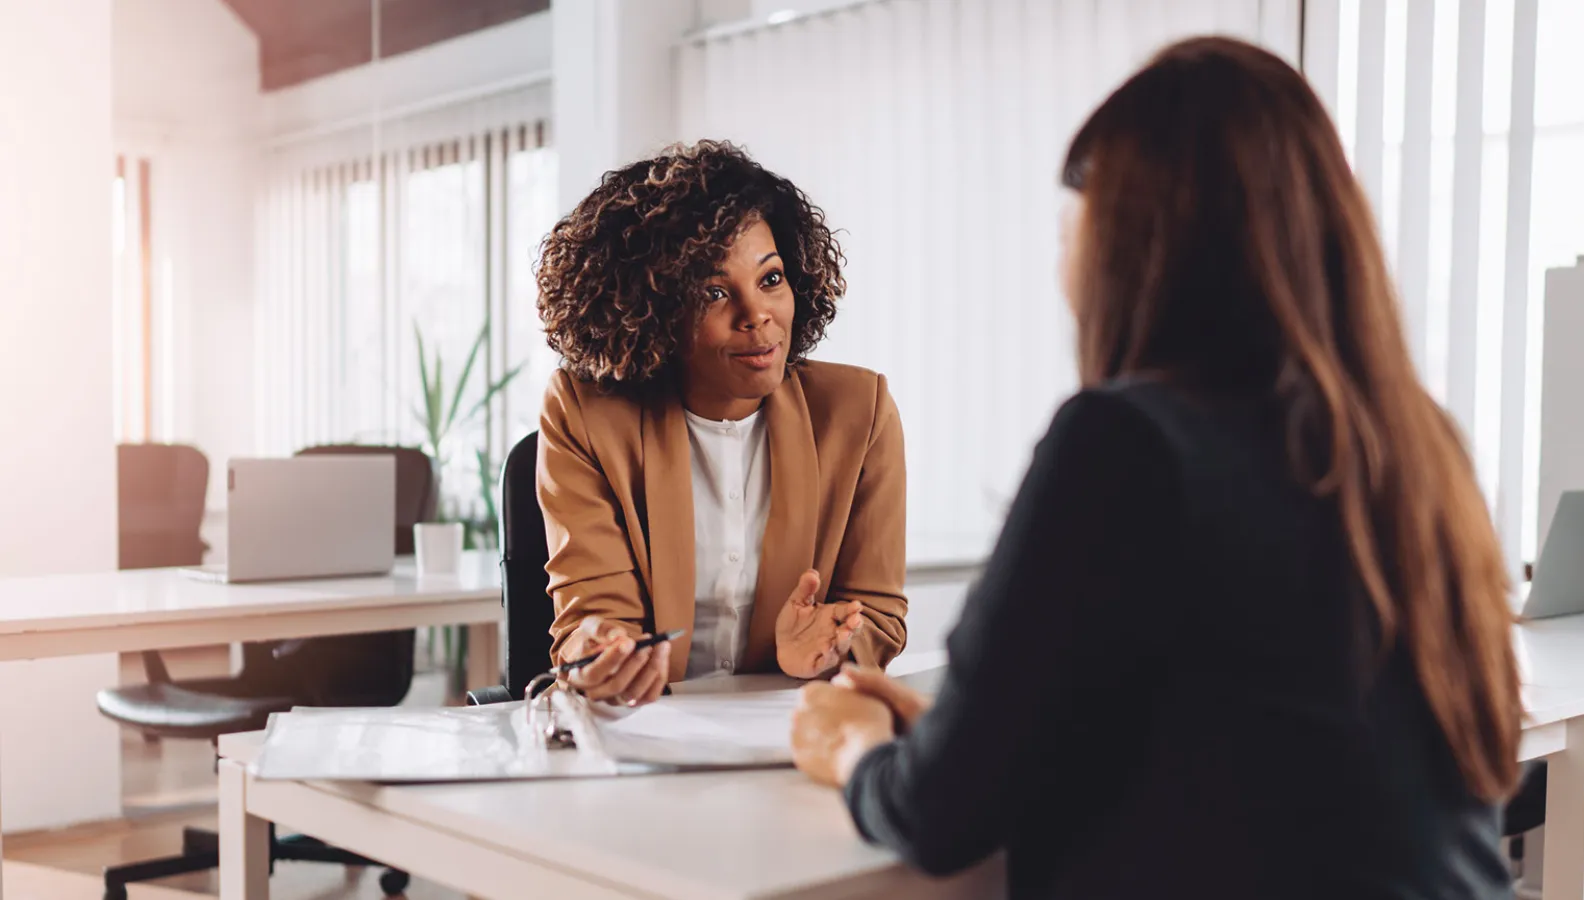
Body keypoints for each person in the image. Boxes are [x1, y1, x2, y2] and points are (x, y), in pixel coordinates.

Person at [791, 36, 1522, 899]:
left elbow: (941, 815)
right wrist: (960, 736)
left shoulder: (1125, 444)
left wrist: (855, 750)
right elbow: (1241, 744)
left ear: (1129, 238)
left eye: (1074, 215)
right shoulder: (1413, 442)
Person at [533, 140, 908, 707]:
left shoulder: (859, 412)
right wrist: (601, 651)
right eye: (713, 292)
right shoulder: (585, 414)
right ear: (652, 310)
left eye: (771, 279)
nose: (755, 313)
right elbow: (590, 613)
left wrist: (833, 646)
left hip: (787, 737)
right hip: (646, 734)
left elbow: (877, 613)